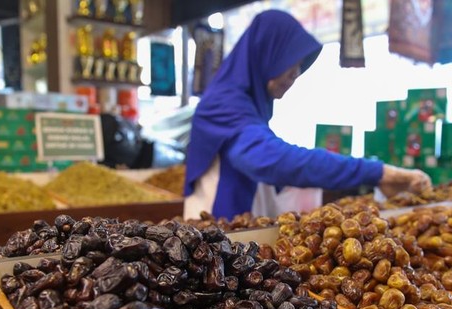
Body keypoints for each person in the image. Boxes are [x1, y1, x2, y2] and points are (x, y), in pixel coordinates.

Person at [184, 9, 431, 220]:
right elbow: (270, 160)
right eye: (290, 61)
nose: (295, 73)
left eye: (300, 66)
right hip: (212, 242)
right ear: (266, 53)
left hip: (234, 238)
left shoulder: (248, 104)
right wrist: (377, 172)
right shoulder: (223, 103)